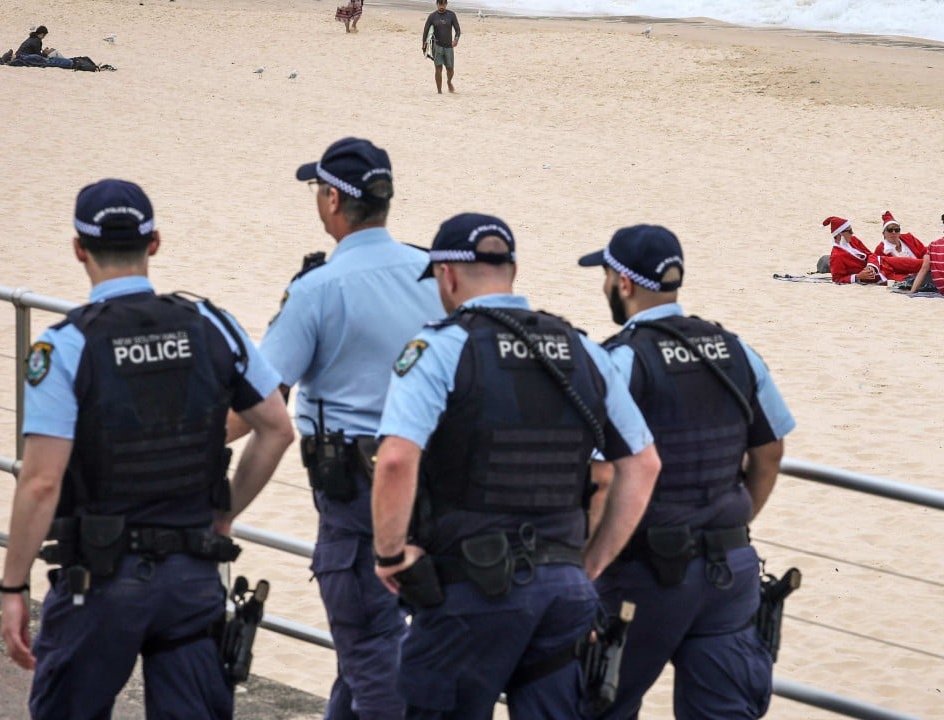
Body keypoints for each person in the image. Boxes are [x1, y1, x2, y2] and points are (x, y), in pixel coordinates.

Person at [0, 179, 294, 718]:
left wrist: (12, 585)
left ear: (79, 249)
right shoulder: (213, 326)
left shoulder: (65, 346)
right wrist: (224, 513)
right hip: (192, 576)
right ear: (154, 242)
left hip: (98, 583)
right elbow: (276, 428)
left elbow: (41, 482)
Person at [371, 212, 661, 718]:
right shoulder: (584, 350)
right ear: (513, 272)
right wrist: (590, 564)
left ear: (447, 275)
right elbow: (642, 463)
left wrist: (390, 554)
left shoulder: (440, 348)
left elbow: (396, 459)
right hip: (563, 592)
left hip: (469, 590)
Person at [226, 137, 443, 719]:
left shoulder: (318, 288)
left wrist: (176, 446)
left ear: (331, 200)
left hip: (355, 500)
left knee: (371, 655)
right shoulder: (434, 273)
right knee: (370, 657)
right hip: (434, 489)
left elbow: (260, 403)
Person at [577, 225, 796, 719]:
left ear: (623, 283)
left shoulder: (621, 359)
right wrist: (733, 521)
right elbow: (771, 452)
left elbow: (601, 478)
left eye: (607, 276)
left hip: (643, 574)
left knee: (595, 704)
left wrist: (585, 566)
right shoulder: (735, 350)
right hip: (729, 570)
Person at [823, 216, 882, 284]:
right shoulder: (837, 256)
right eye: (850, 231)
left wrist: (871, 265)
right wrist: (857, 277)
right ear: (840, 234)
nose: (852, 233)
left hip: (877, 267)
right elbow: (837, 279)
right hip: (871, 277)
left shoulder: (853, 240)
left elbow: (870, 254)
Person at [422, 0, 461, 94]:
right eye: (440, 4)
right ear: (437, 4)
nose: (441, 6)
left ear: (446, 4)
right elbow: (426, 30)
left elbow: (458, 30)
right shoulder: (432, 16)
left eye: (443, 4)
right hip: (437, 46)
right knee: (438, 68)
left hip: (449, 47)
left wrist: (456, 40)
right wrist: (424, 43)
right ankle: (439, 91)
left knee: (450, 69)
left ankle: (449, 82)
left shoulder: (451, 15)